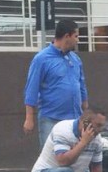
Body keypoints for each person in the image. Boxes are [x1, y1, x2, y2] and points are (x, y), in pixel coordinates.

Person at [23, 19, 89, 147]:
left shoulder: (75, 59)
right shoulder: (41, 59)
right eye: (76, 36)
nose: (78, 40)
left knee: (75, 157)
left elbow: (82, 86)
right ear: (66, 36)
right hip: (51, 119)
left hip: (74, 119)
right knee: (51, 159)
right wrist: (29, 118)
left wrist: (86, 114)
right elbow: (31, 89)